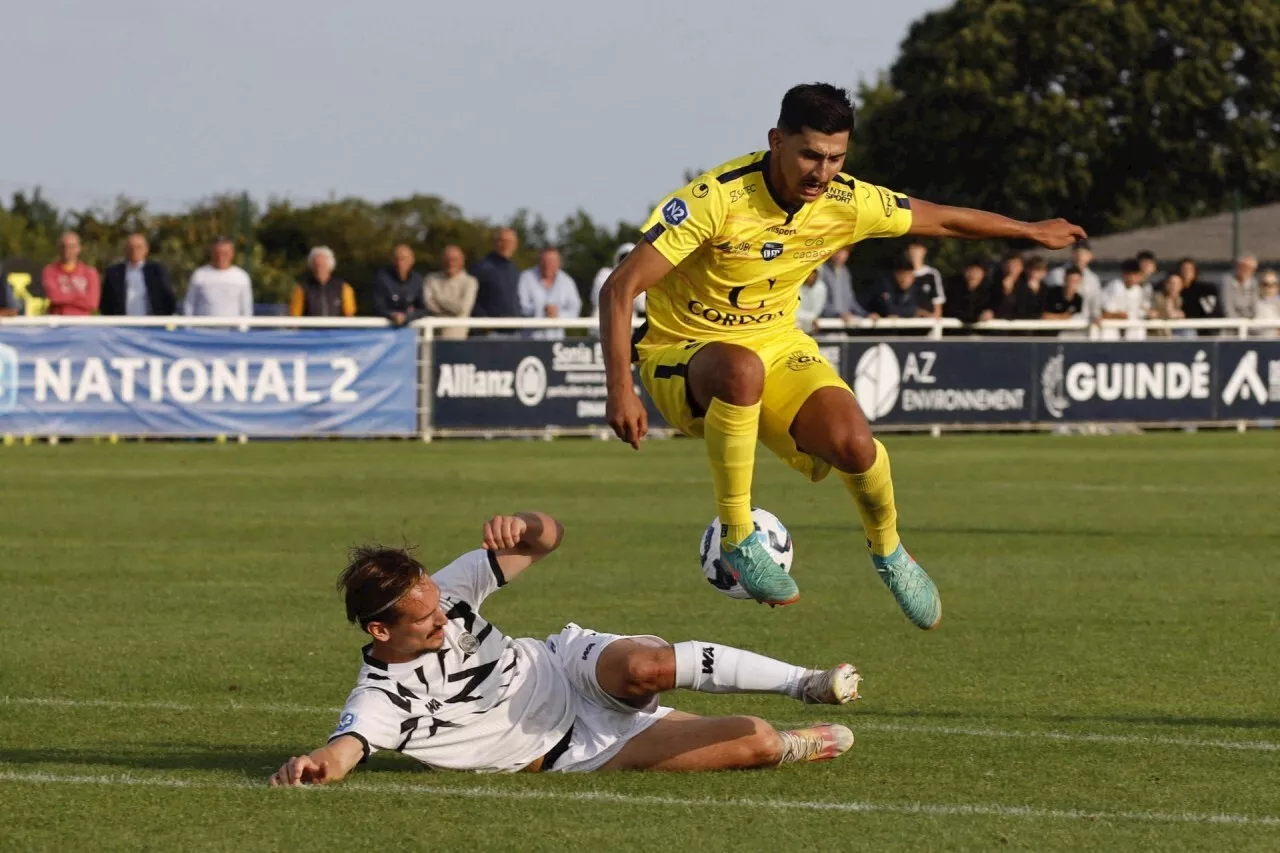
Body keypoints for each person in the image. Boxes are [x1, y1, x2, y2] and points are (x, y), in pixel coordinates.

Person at [598, 83, 1084, 618]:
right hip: (683, 352)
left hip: (778, 345)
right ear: (776, 141)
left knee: (855, 445)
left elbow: (941, 218)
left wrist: (1030, 231)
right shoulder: (715, 199)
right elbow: (619, 288)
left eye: (835, 158)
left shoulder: (847, 201)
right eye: (809, 154)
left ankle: (890, 550)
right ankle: (738, 537)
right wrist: (621, 389)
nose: (821, 171)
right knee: (740, 368)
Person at [268, 511, 860, 785]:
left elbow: (550, 538)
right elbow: (345, 747)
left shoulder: (444, 591)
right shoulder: (384, 696)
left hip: (566, 667)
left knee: (644, 665)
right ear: (380, 631)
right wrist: (317, 766)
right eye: (425, 619)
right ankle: (784, 744)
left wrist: (524, 524)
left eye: (438, 602)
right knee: (754, 739)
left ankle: (803, 681)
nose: (444, 619)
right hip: (573, 749)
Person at [101, 233, 177, 316]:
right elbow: (106, 302)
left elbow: (168, 298)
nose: (134, 250)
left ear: (146, 249)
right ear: (125, 250)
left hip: (152, 324)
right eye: (131, 248)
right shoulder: (114, 273)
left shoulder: (157, 271)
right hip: (121, 325)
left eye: (139, 247)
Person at [517, 247, 581, 341]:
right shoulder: (526, 278)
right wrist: (542, 310)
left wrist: (558, 314)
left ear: (559, 263)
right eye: (545, 261)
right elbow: (520, 306)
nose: (548, 264)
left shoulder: (567, 281)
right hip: (530, 340)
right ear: (539, 261)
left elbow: (575, 308)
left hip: (557, 341)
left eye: (552, 261)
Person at [184, 237, 253, 317]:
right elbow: (189, 305)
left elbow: (246, 309)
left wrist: (243, 328)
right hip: (202, 329)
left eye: (225, 253)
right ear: (211, 253)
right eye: (217, 253)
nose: (220, 257)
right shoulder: (199, 275)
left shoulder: (241, 277)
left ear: (232, 254)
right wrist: (188, 328)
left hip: (233, 329)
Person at [424, 245, 479, 339]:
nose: (451, 262)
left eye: (455, 259)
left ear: (462, 261)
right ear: (442, 260)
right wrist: (450, 309)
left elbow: (462, 309)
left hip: (458, 338)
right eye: (447, 259)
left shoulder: (470, 282)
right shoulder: (430, 279)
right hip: (432, 338)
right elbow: (428, 305)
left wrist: (439, 299)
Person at [42, 231, 101, 316]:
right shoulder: (49, 271)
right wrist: (80, 297)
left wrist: (65, 297)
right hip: (57, 324)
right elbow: (54, 297)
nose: (67, 250)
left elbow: (92, 303)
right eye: (63, 246)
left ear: (79, 248)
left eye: (72, 246)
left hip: (83, 325)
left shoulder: (90, 273)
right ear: (58, 248)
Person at [289, 246, 356, 318]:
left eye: (323, 265)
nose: (320, 268)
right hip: (311, 329)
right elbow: (294, 317)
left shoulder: (344, 288)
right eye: (317, 265)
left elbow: (350, 316)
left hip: (337, 329)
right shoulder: (302, 289)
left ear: (330, 266)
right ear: (312, 266)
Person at [373, 244, 427, 327]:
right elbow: (378, 307)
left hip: (411, 330)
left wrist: (408, 317)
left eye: (403, 259)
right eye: (396, 259)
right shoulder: (382, 278)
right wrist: (392, 315)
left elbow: (423, 309)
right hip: (385, 329)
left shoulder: (417, 280)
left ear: (412, 261)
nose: (399, 263)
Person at [591, 243, 643, 318]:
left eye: (632, 258)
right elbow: (599, 296)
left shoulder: (639, 279)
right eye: (624, 257)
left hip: (627, 325)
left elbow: (641, 305)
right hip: (601, 322)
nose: (627, 262)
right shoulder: (604, 273)